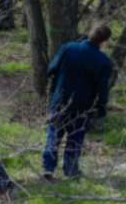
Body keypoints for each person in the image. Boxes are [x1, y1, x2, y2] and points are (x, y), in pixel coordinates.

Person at [41, 24, 113, 181]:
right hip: (82, 106)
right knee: (75, 139)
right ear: (104, 41)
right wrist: (101, 108)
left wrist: (54, 90)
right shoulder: (104, 62)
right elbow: (103, 89)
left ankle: (48, 168)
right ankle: (71, 170)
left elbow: (52, 70)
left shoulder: (68, 48)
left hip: (60, 101)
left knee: (54, 136)